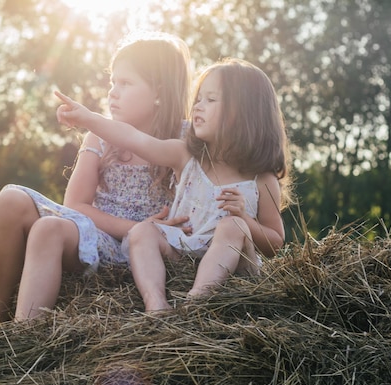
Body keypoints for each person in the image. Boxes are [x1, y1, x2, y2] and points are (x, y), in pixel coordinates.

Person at [55, 57, 293, 312]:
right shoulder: (186, 156)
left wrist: (244, 218)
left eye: (210, 100)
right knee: (143, 231)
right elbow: (134, 139)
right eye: (198, 99)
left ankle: (197, 301)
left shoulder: (262, 179)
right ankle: (156, 304)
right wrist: (88, 118)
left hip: (235, 269)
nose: (198, 107)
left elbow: (275, 242)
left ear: (245, 113)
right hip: (182, 255)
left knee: (231, 225)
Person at [0, 32, 192, 322]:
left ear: (158, 91)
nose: (112, 93)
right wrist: (136, 226)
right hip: (99, 240)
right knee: (9, 200)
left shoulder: (186, 138)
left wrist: (148, 232)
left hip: (149, 250)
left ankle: (23, 336)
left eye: (125, 83)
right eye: (112, 82)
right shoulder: (99, 137)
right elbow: (76, 208)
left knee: (48, 229)